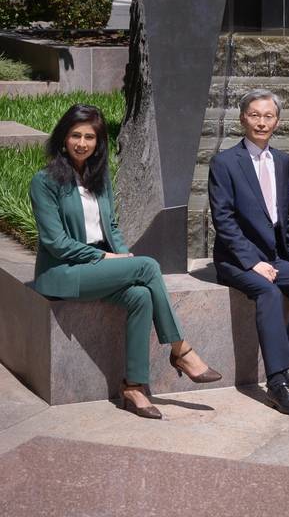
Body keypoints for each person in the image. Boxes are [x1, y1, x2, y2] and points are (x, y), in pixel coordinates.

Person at [30, 104, 221, 420]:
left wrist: (123, 255)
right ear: (63, 138)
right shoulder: (44, 181)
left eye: (89, 137)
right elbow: (56, 243)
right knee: (147, 267)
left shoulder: (98, 177)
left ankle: (133, 386)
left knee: (141, 295)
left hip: (96, 267)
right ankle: (181, 350)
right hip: (62, 272)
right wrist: (106, 257)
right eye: (75, 135)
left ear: (98, 141)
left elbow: (113, 227)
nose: (81, 143)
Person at [208, 89, 289, 416]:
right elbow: (223, 220)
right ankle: (276, 383)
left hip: (277, 257)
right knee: (269, 294)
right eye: (255, 115)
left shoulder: (283, 161)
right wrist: (252, 262)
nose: (261, 122)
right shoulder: (225, 162)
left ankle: (288, 367)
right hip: (236, 259)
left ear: (277, 121)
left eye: (268, 116)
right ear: (243, 117)